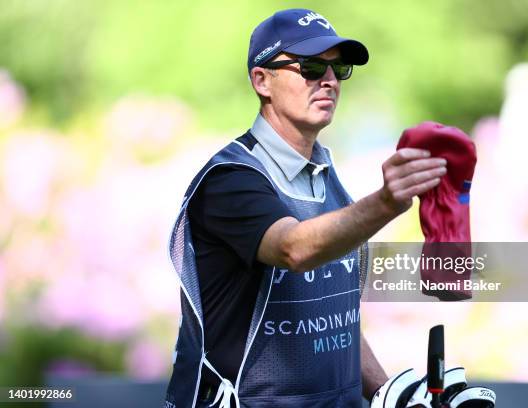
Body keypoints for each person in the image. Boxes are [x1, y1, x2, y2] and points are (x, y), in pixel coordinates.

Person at [164, 8, 447, 408]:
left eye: (339, 68)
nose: (329, 80)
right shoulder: (230, 179)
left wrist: (391, 394)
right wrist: (386, 202)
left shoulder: (325, 172)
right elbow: (293, 249)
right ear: (262, 80)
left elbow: (336, 319)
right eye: (312, 67)